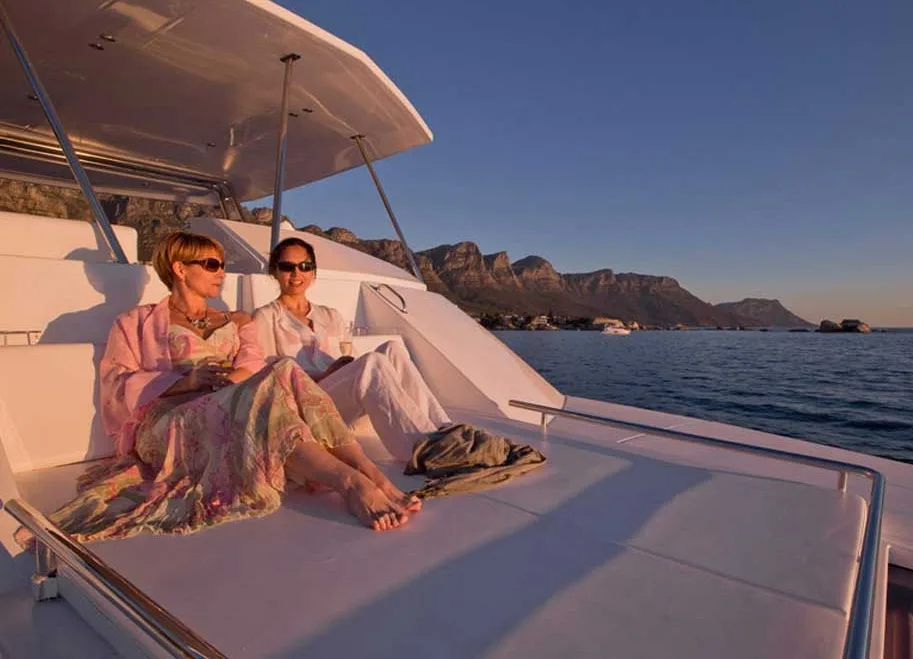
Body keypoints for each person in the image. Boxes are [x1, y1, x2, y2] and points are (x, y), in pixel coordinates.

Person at [51, 231, 420, 542]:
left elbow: (253, 367)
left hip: (231, 401)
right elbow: (116, 383)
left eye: (222, 264)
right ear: (180, 269)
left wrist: (227, 387)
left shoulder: (237, 320)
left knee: (285, 368)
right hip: (170, 419)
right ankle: (349, 483)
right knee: (266, 386)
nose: (222, 272)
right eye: (212, 264)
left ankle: (369, 472)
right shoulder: (136, 321)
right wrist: (182, 382)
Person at [253, 237, 451, 461]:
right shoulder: (266, 317)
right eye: (287, 266)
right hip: (309, 404)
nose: (296, 273)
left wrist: (343, 367)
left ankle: (445, 430)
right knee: (372, 363)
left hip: (343, 399)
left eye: (304, 266)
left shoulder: (330, 315)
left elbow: (355, 363)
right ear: (275, 271)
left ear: (313, 271)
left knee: (392, 349)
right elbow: (268, 376)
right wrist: (323, 374)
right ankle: (422, 451)